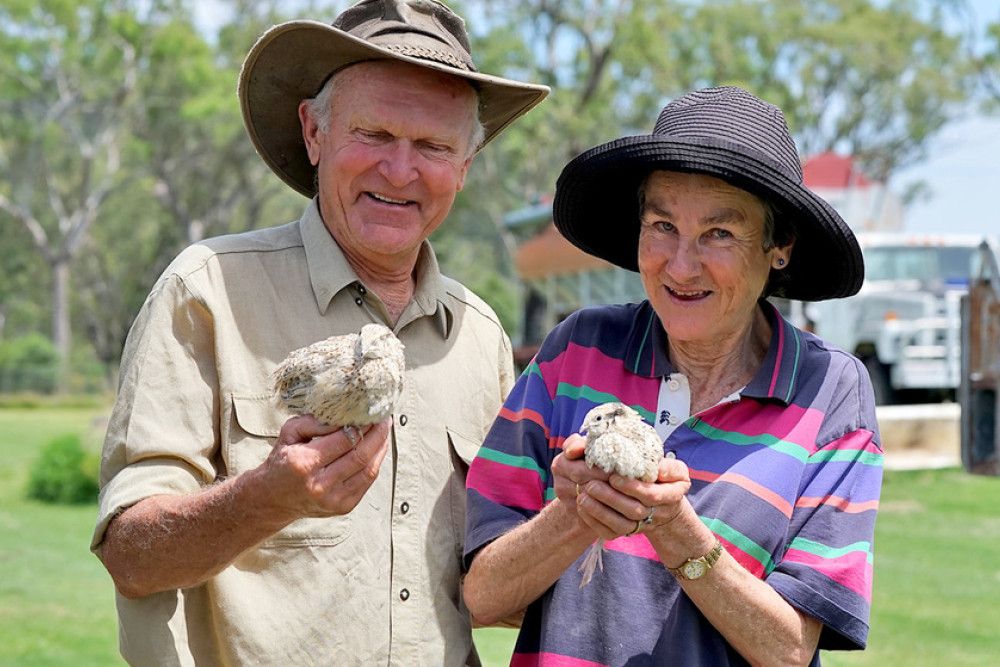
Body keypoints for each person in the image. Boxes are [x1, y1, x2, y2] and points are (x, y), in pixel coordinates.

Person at [90, 1, 548, 664]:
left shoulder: (479, 337)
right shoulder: (210, 288)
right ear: (314, 131)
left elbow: (494, 590)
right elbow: (129, 557)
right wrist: (266, 497)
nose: (400, 169)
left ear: (465, 166)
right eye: (374, 133)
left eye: (433, 146)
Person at [463, 86, 883, 666]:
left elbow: (789, 649)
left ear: (779, 245)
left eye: (719, 233)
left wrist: (676, 531)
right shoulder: (577, 349)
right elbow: (481, 597)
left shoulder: (830, 390)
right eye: (662, 224)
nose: (681, 266)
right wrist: (577, 514)